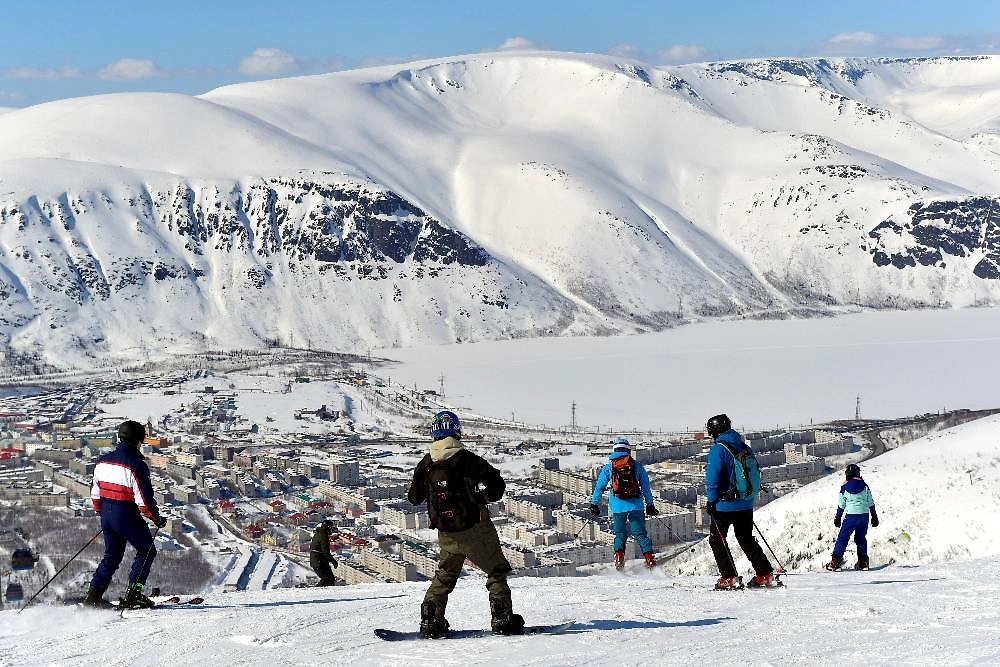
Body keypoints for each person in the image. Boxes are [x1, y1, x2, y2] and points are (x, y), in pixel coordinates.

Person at [407, 410, 524, 638]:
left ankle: (431, 620)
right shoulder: (467, 459)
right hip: (475, 528)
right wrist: (481, 498)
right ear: (457, 430)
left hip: (446, 533)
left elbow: (414, 498)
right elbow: (497, 486)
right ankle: (502, 618)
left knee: (445, 575)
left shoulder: (426, 463)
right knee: (496, 570)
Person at [85, 420, 166, 609]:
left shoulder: (102, 461)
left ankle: (93, 596)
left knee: (111, 556)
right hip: (126, 514)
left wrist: (102, 513)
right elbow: (143, 500)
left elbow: (95, 493)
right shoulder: (136, 465)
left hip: (107, 513)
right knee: (147, 551)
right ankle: (133, 594)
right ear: (139, 440)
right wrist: (156, 518)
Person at [704, 414, 774, 589]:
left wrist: (711, 501)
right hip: (745, 502)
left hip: (724, 505)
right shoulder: (744, 447)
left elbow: (712, 478)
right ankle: (764, 574)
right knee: (746, 539)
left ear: (714, 431)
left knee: (717, 540)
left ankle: (729, 577)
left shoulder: (718, 449)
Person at [590, 438, 658, 570]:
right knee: (640, 534)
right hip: (636, 506)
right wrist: (650, 505)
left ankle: (619, 559)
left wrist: (594, 504)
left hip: (617, 507)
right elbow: (646, 487)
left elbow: (599, 487)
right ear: (628, 450)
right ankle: (650, 561)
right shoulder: (637, 466)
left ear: (614, 450)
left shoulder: (609, 468)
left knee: (620, 534)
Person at [826, 463, 879, 571]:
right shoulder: (865, 486)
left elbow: (841, 504)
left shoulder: (844, 487)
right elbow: (870, 502)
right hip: (864, 516)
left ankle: (835, 563)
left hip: (851, 517)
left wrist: (838, 517)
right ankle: (863, 563)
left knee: (843, 538)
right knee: (861, 539)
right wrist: (874, 516)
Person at [310, 519, 339, 586]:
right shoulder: (323, 536)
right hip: (318, 561)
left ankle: (329, 594)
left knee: (330, 579)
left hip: (319, 560)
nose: (331, 530)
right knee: (326, 579)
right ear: (327, 528)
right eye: (330, 528)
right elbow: (325, 551)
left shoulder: (319, 534)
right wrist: (333, 561)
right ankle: (315, 591)